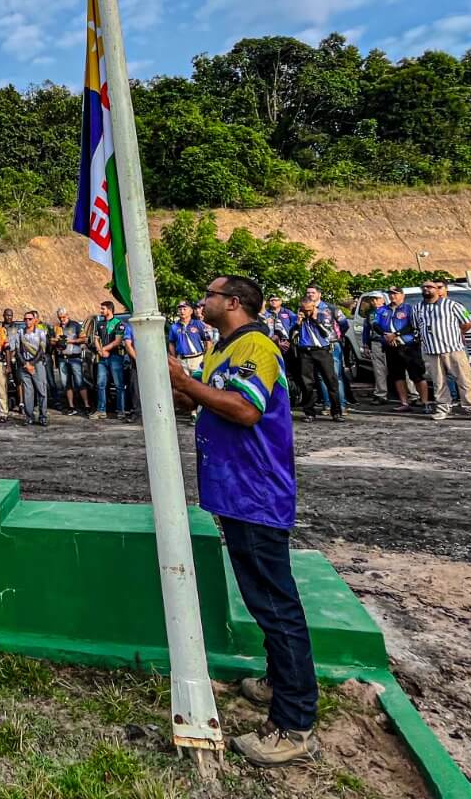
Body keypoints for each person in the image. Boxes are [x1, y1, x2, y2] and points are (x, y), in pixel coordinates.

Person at [166, 275, 318, 767]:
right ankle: (279, 678)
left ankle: (294, 723)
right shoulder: (222, 348)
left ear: (233, 302)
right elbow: (208, 403)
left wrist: (189, 384)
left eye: (208, 296)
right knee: (266, 597)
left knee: (274, 603)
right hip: (235, 492)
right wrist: (176, 385)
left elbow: (246, 410)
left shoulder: (255, 345)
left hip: (255, 492)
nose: (201, 303)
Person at [413, 280, 471, 421]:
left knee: (464, 379)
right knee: (439, 382)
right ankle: (443, 408)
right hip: (432, 350)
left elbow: (467, 323)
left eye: (430, 287)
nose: (427, 289)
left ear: (438, 290)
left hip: (453, 349)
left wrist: (456, 334)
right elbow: (417, 327)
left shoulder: (452, 305)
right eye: (424, 287)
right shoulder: (418, 308)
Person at [292, 295, 343, 421]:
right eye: (304, 309)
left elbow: (328, 334)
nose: (307, 312)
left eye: (309, 309)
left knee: (331, 381)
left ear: (314, 306)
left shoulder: (323, 315)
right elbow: (291, 336)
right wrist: (297, 324)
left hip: (322, 351)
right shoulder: (298, 317)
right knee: (307, 383)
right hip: (305, 352)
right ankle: (309, 412)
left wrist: (315, 320)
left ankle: (336, 412)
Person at [377, 287, 427, 411]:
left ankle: (424, 402)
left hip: (408, 346)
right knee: (397, 376)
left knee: (416, 375)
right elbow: (375, 324)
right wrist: (386, 335)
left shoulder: (409, 309)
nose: (393, 296)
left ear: (402, 295)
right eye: (390, 294)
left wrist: (396, 334)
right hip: (390, 346)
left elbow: (413, 325)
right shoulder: (382, 310)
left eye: (396, 294)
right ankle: (404, 403)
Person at [93, 300, 126, 419]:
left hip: (115, 357)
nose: (101, 311)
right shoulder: (99, 323)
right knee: (100, 384)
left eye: (103, 309)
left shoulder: (119, 323)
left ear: (110, 310)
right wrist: (100, 351)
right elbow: (96, 339)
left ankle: (120, 411)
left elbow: (117, 341)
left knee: (119, 385)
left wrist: (104, 350)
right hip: (102, 358)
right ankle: (101, 410)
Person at [54, 307, 89, 415]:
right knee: (66, 383)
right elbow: (52, 340)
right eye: (60, 318)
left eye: (64, 317)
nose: (62, 319)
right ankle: (71, 406)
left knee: (79, 382)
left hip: (74, 357)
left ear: (68, 315)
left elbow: (84, 338)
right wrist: (56, 342)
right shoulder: (56, 327)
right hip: (62, 358)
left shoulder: (75, 325)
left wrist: (71, 341)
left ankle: (87, 405)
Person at [16, 310, 49, 426]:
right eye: (25, 319)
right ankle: (29, 416)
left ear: (35, 320)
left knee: (42, 391)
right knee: (28, 393)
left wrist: (32, 364)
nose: (27, 321)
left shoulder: (41, 332)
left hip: (37, 364)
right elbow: (18, 350)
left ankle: (43, 416)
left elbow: (42, 350)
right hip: (24, 364)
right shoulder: (20, 332)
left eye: (30, 319)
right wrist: (26, 364)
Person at [358, 294, 389, 404]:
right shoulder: (371, 313)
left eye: (376, 298)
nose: (374, 301)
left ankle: (413, 394)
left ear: (382, 299)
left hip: (393, 342)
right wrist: (366, 344)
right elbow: (366, 329)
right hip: (376, 342)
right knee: (379, 369)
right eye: (372, 299)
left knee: (401, 370)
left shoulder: (389, 310)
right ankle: (381, 394)